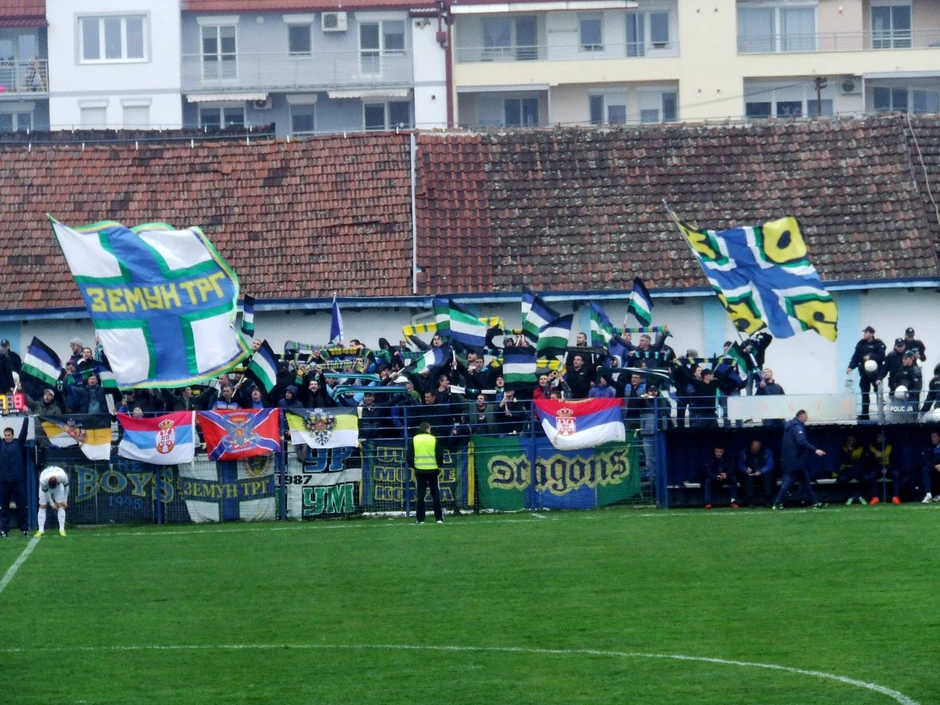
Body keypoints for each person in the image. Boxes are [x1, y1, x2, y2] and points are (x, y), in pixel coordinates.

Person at [773, 410, 826, 510]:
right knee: (787, 484)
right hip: (796, 462)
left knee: (806, 484)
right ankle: (777, 503)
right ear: (801, 416)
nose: (807, 419)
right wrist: (815, 450)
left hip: (795, 461)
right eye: (806, 416)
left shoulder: (789, 426)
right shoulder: (797, 427)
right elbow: (801, 442)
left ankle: (814, 502)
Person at [407, 421, 445, 524]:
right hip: (433, 470)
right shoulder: (433, 439)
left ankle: (420, 519)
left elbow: (409, 456)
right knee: (435, 495)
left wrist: (414, 466)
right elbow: (440, 455)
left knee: (420, 496)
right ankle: (439, 518)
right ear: (428, 429)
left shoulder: (414, 440)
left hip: (419, 471)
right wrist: (438, 465)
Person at [846, 326, 886, 420]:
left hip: (876, 373)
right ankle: (864, 414)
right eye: (864, 332)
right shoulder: (861, 344)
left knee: (878, 393)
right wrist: (851, 367)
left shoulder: (878, 344)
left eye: (866, 332)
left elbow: (882, 356)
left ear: (871, 333)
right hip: (864, 373)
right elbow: (856, 357)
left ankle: (881, 413)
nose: (864, 334)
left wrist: (871, 356)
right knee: (864, 392)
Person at [0, 421, 30, 538]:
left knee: (21, 506)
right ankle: (4, 529)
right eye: (5, 435)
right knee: (4, 507)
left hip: (17, 481)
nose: (7, 437)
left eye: (9, 435)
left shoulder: (18, 443)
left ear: (13, 435)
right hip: (4, 481)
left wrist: (26, 418)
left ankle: (24, 529)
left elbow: (24, 432)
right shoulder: (1, 444)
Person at [837, 434, 875, 506]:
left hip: (858, 469)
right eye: (848, 440)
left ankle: (861, 497)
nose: (850, 441)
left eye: (851, 439)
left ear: (855, 440)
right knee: (841, 479)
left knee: (866, 479)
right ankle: (849, 497)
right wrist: (849, 450)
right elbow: (846, 460)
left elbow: (864, 461)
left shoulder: (861, 448)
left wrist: (856, 464)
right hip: (847, 469)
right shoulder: (843, 448)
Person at [736, 440, 775, 508]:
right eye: (753, 450)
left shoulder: (767, 452)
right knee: (747, 478)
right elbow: (740, 465)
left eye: (756, 450)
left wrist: (761, 471)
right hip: (750, 473)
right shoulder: (744, 452)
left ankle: (768, 500)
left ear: (759, 448)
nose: (755, 452)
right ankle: (750, 500)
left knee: (768, 476)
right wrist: (746, 469)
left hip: (762, 473)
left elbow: (770, 464)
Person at [36, 465, 69, 537]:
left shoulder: (62, 476)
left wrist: (65, 500)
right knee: (42, 506)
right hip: (45, 489)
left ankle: (62, 530)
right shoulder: (43, 480)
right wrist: (52, 504)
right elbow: (46, 493)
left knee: (60, 505)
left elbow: (66, 487)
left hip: (58, 487)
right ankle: (40, 530)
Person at [703, 444, 737, 509]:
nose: (718, 453)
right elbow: (708, 471)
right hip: (715, 477)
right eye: (717, 451)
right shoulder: (710, 458)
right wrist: (716, 476)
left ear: (723, 451)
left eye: (720, 451)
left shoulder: (728, 457)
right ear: (714, 451)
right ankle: (708, 503)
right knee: (708, 481)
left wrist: (726, 474)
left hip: (725, 476)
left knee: (733, 479)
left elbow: (732, 468)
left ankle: (733, 501)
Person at [919, 430, 940, 504]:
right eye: (932, 437)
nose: (932, 439)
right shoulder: (930, 448)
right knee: (925, 470)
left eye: (934, 437)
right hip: (935, 469)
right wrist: (935, 466)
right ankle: (928, 495)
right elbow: (926, 461)